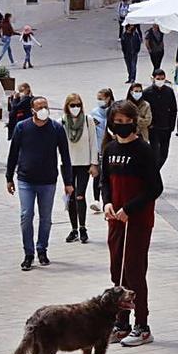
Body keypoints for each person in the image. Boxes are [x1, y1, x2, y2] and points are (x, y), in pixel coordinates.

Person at [102, 100, 164, 347]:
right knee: (117, 271)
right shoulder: (109, 149)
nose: (123, 126)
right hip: (115, 220)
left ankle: (142, 326)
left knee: (134, 272)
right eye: (118, 122)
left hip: (137, 220)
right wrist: (106, 202)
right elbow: (105, 182)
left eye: (128, 122)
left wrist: (130, 209)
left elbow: (155, 188)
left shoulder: (143, 150)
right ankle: (121, 322)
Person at [6, 96, 74, 271]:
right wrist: (8, 177)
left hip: (48, 180)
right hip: (25, 179)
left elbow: (65, 156)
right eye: (40, 107)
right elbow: (13, 153)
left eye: (46, 106)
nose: (44, 109)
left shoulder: (56, 128)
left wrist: (68, 181)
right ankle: (28, 253)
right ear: (33, 110)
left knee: (46, 218)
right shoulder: (22, 127)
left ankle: (41, 249)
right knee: (26, 215)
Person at [62, 93, 98, 244]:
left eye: (78, 105)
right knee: (70, 196)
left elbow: (93, 142)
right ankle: (74, 229)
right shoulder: (62, 122)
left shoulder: (88, 121)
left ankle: (83, 227)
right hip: (68, 164)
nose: (75, 108)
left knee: (80, 195)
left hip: (84, 163)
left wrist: (94, 163)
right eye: (72, 105)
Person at [144, 69, 177, 168]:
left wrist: (172, 126)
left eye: (162, 79)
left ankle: (154, 173)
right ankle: (153, 175)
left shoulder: (169, 91)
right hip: (153, 128)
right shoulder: (147, 92)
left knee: (164, 154)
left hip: (166, 127)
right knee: (155, 153)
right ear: (153, 79)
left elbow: (173, 109)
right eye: (158, 79)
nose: (160, 81)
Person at [89, 88, 115, 213]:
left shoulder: (115, 111)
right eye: (98, 99)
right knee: (97, 175)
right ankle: (96, 200)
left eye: (102, 98)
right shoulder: (94, 113)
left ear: (108, 98)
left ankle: (109, 200)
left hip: (112, 148)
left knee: (110, 175)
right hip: (99, 148)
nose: (100, 101)